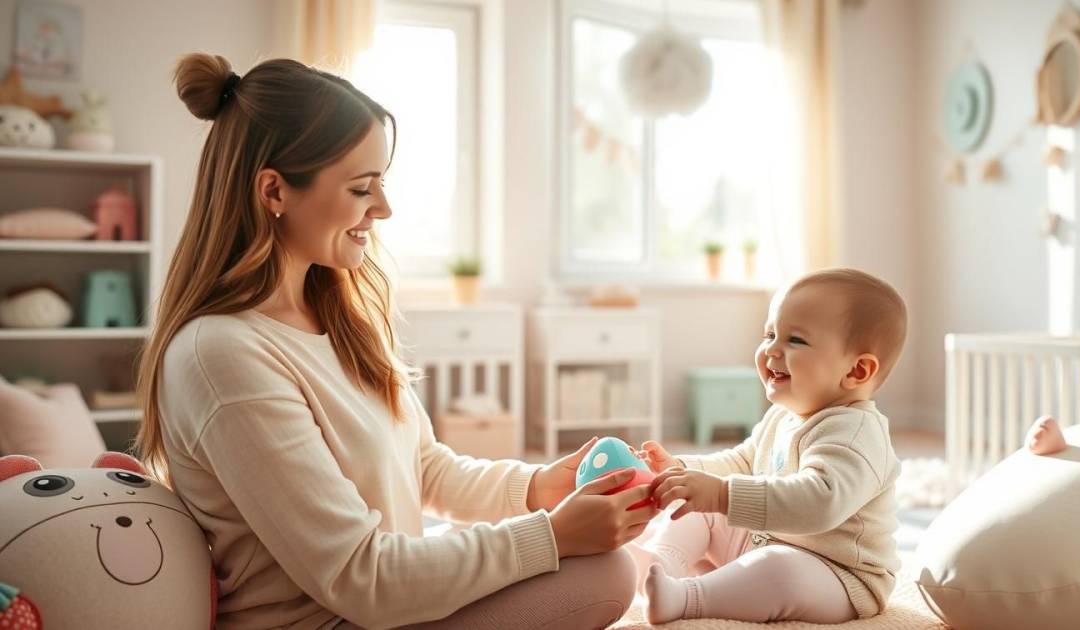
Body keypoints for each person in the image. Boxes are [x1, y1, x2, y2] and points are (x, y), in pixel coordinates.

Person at [136, 53, 656, 630]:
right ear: (274, 191)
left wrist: (537, 487)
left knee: (604, 565)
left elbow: (424, 469)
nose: (383, 208)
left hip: (383, 605)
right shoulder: (221, 355)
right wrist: (550, 535)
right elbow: (362, 577)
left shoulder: (338, 316)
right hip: (338, 618)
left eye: (381, 184)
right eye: (362, 188)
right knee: (602, 575)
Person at [630, 268, 907, 623]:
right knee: (696, 508)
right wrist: (685, 472)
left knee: (779, 570)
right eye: (771, 334)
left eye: (796, 340)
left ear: (856, 371)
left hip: (836, 576)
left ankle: (688, 597)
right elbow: (743, 462)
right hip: (765, 540)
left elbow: (819, 501)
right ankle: (661, 562)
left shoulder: (856, 434)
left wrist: (721, 495)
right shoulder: (783, 415)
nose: (772, 349)